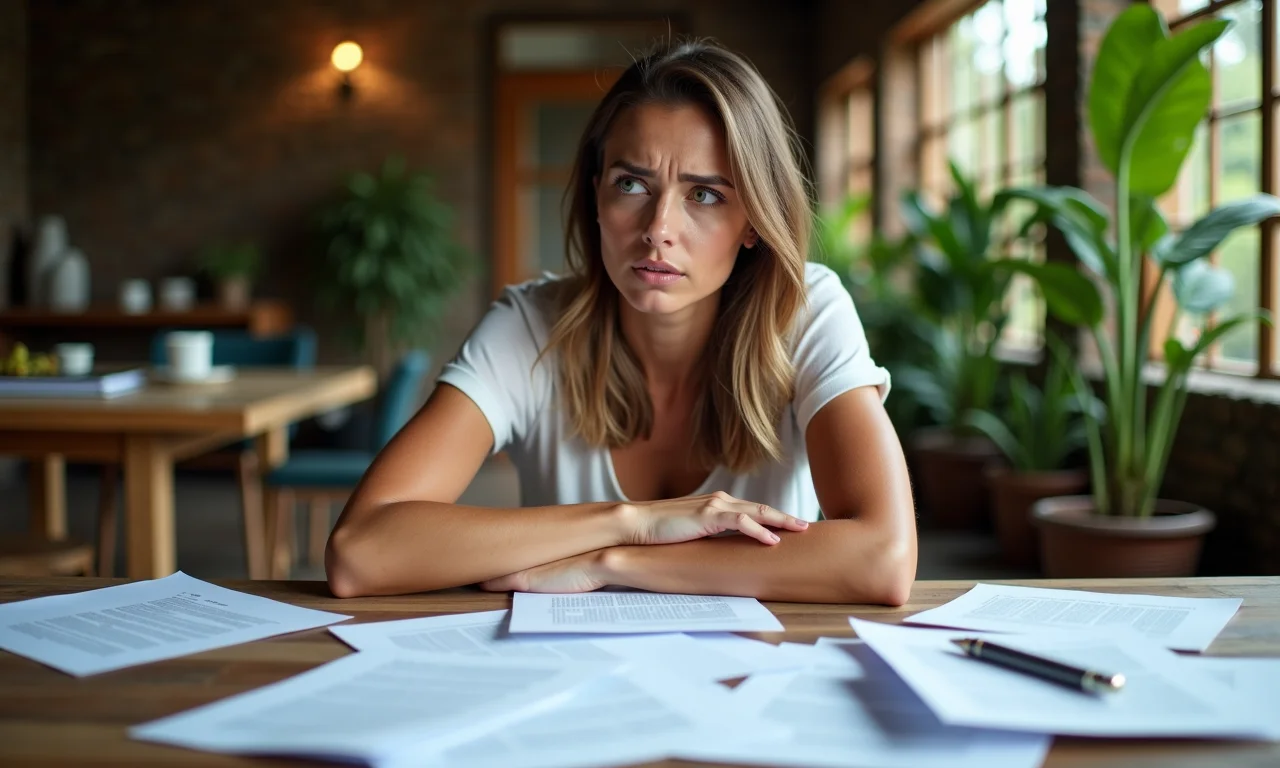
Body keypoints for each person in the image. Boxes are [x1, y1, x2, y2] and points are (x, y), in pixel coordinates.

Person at [326, 39, 916, 605]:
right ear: (597, 197)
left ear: (754, 221)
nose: (658, 227)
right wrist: (633, 523)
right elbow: (362, 552)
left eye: (705, 194)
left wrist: (614, 562)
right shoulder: (530, 325)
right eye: (632, 183)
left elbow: (883, 558)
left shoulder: (805, 309)